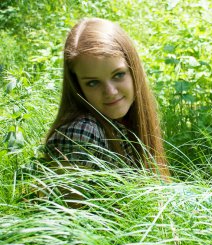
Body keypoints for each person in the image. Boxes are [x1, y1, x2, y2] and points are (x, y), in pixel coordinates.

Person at [45, 18, 170, 181]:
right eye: (93, 82)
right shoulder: (81, 134)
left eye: (118, 75)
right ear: (77, 86)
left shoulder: (130, 122)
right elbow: (67, 206)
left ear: (134, 71)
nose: (110, 92)